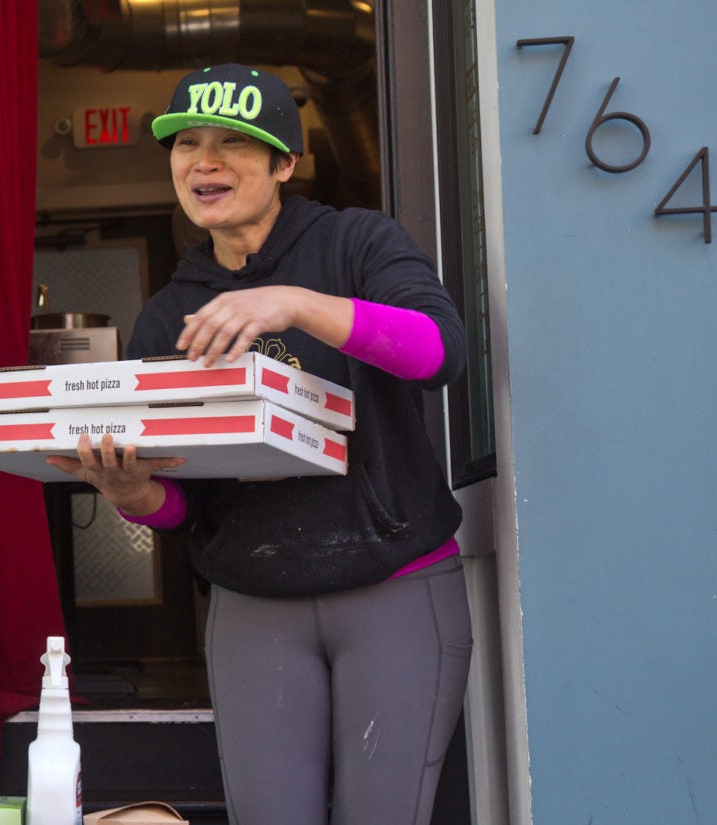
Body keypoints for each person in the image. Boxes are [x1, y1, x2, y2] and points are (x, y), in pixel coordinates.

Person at [48, 65, 471, 825]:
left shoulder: (357, 244)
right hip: (252, 604)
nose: (203, 162)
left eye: (234, 143)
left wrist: (296, 304)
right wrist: (130, 494)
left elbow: (440, 351)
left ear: (284, 163)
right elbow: (187, 504)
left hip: (396, 586)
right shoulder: (168, 316)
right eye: (187, 144)